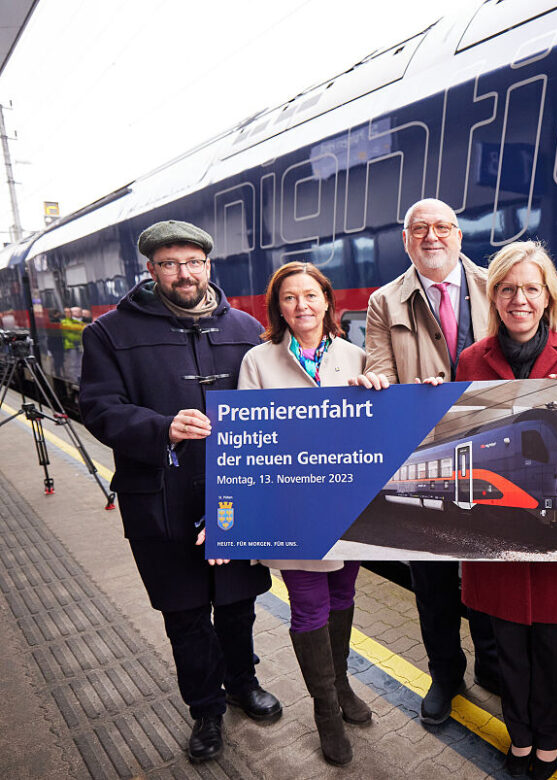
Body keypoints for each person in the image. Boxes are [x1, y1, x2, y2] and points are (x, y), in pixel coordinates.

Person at [79, 220, 281, 763]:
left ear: (208, 265)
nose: (183, 274)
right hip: (162, 497)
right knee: (186, 614)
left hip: (235, 494)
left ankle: (242, 683)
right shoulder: (109, 332)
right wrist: (159, 427)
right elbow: (98, 407)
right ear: (150, 269)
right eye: (169, 264)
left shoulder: (245, 327)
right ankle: (206, 710)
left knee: (239, 604)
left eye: (193, 262)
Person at [357, 198, 501, 725]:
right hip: (422, 458)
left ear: (460, 235)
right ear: (406, 240)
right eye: (420, 229)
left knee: (487, 570)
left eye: (442, 227)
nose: (431, 236)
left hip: (490, 451)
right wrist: (386, 387)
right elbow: (379, 369)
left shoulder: (495, 285)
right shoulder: (383, 301)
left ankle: (492, 666)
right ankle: (446, 675)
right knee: (433, 583)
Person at [238, 262, 388, 765]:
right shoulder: (258, 361)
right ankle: (326, 711)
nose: (301, 306)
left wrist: (379, 395)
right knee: (308, 609)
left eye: (310, 295)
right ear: (277, 308)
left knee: (343, 594)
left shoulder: (356, 356)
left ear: (327, 301)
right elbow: (247, 440)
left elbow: (375, 430)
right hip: (292, 509)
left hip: (347, 505)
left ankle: (342, 685)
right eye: (288, 298)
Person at [454, 241, 557, 779]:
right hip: (496, 529)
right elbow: (458, 433)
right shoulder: (470, 360)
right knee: (507, 643)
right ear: (495, 297)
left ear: (548, 297)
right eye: (508, 289)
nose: (519, 299)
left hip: (556, 533)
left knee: (554, 646)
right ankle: (520, 736)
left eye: (531, 289)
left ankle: (550, 738)